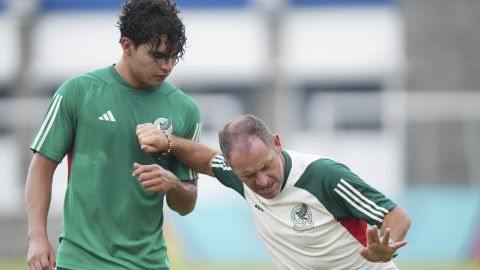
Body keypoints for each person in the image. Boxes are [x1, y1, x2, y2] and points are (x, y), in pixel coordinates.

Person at [25, 0, 202, 269]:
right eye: (156, 55)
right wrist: (37, 238)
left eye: (173, 56)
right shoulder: (77, 92)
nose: (167, 66)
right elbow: (41, 168)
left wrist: (173, 184)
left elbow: (186, 203)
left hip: (149, 264)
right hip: (80, 262)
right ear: (126, 45)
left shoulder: (185, 111)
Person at [134, 114, 411, 270]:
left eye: (266, 166)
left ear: (277, 143)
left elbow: (397, 216)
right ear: (232, 167)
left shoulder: (324, 176)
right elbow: (206, 160)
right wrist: (166, 142)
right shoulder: (236, 174)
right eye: (250, 175)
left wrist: (385, 250)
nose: (263, 181)